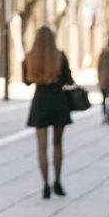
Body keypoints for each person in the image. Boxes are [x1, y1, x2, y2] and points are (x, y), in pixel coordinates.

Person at [23, 25, 74, 200]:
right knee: (58, 144)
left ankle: (45, 185)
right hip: (58, 99)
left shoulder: (30, 57)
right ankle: (57, 182)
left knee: (41, 147)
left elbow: (26, 81)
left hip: (40, 101)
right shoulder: (59, 56)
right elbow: (69, 79)